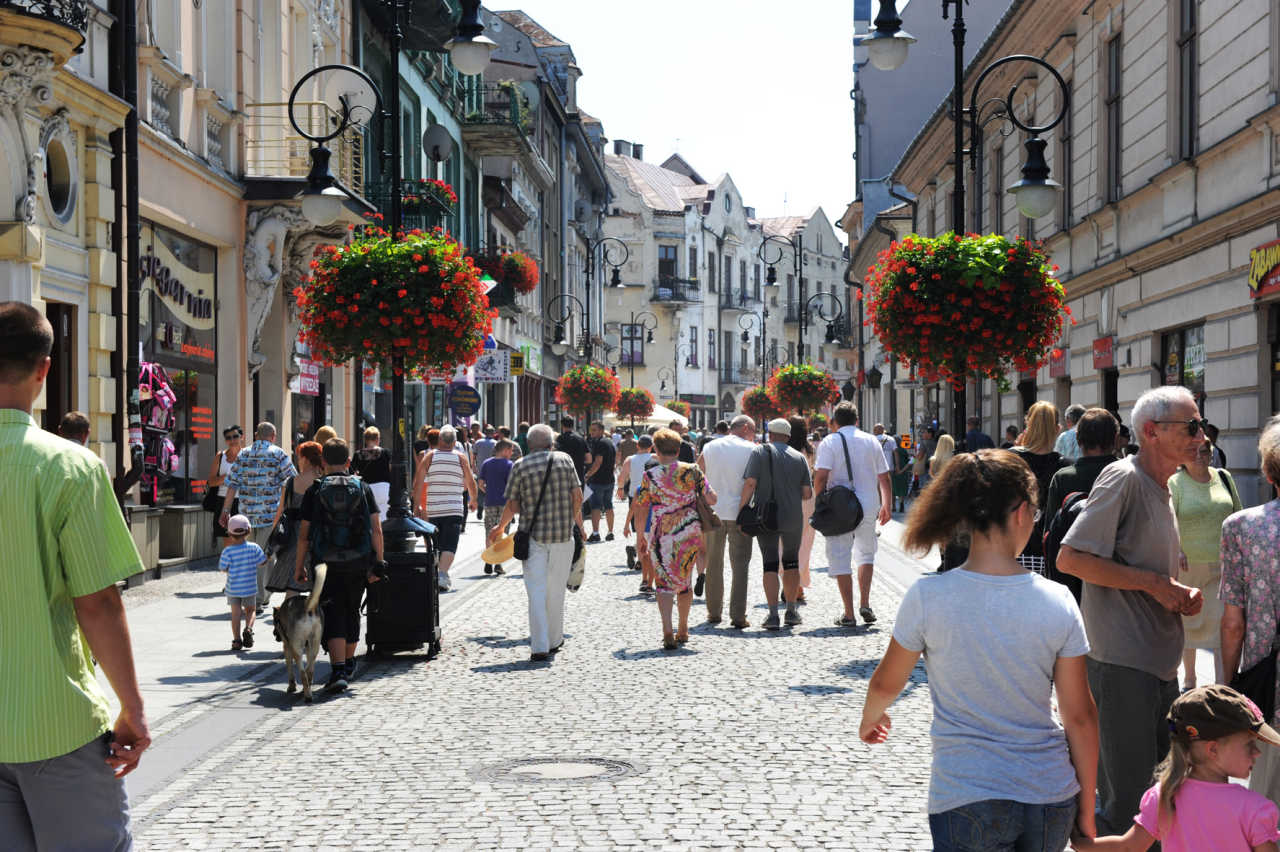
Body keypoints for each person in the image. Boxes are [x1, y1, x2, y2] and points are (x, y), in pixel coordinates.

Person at [861, 448, 1098, 850]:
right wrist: (1088, 810)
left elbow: (886, 683)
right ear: (1022, 512)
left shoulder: (929, 596)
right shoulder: (1058, 600)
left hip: (966, 791)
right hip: (1047, 793)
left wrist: (871, 718)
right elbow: (1080, 716)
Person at [0, 302, 149, 848]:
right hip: (54, 720)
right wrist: (131, 709)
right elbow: (98, 604)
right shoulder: (70, 466)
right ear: (43, 369)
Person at [1058, 385, 1207, 835]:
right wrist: (1154, 584)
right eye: (1192, 426)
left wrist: (1176, 590)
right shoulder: (1124, 478)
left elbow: (1140, 567)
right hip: (1122, 662)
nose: (1201, 436)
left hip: (1156, 663)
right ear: (1152, 432)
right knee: (1127, 802)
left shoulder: (1164, 486)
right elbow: (1071, 559)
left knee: (1160, 794)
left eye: (1201, 425)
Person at [1072, 685, 1280, 852]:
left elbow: (1128, 847)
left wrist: (1080, 842)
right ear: (1213, 749)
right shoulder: (1254, 809)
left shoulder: (1163, 796)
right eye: (1249, 745)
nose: (1257, 753)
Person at [486, 424, 585, 661]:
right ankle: (554, 639)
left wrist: (500, 527)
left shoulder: (520, 465)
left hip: (532, 537)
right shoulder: (564, 460)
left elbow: (513, 505)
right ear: (551, 443)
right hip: (563, 536)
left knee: (536, 591)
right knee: (556, 590)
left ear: (529, 445)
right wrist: (577, 524)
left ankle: (539, 646)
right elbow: (577, 496)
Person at [294, 438, 384, 692]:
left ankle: (338, 669)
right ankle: (347, 665)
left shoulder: (315, 489)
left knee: (332, 611)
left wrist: (299, 566)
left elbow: (303, 535)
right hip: (358, 561)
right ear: (348, 462)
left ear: (322, 462)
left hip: (324, 562)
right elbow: (376, 529)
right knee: (352, 609)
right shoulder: (362, 487)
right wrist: (379, 562)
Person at [1221, 415, 1280, 803]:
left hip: (1268, 689)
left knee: (1268, 804)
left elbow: (1233, 625)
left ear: (1269, 471)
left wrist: (1228, 689)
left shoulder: (1242, 528)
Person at [1170, 435, 1240, 690]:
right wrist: (1176, 549)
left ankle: (1223, 686)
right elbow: (1170, 518)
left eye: (1206, 450)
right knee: (1188, 624)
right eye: (1196, 451)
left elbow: (1236, 514)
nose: (1201, 455)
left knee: (1223, 625)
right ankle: (1189, 682)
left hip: (1222, 565)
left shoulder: (1223, 477)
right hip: (1188, 567)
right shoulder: (1175, 482)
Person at [636, 428, 716, 648]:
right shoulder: (692, 471)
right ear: (679, 449)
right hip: (689, 532)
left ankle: (667, 631)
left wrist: (640, 537)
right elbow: (712, 499)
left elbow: (641, 507)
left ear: (656, 450)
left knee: (663, 582)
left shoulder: (649, 475)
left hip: (662, 533)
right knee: (684, 580)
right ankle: (683, 627)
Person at [815, 402, 892, 627]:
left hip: (840, 506)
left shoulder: (830, 441)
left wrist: (820, 502)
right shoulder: (871, 440)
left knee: (840, 556)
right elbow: (884, 477)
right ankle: (865, 604)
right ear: (857, 420)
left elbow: (820, 477)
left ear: (835, 421)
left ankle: (849, 613)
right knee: (866, 554)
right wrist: (886, 504)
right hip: (868, 504)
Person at [739, 418, 811, 631]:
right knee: (791, 562)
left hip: (766, 517)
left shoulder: (759, 453)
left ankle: (772, 615)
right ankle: (791, 610)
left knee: (769, 563)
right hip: (792, 517)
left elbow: (750, 483)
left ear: (769, 434)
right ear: (788, 437)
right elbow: (807, 494)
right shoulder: (799, 457)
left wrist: (741, 510)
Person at [220, 422, 296, 612]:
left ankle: (261, 594)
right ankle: (258, 598)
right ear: (274, 436)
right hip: (271, 515)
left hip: (247, 515)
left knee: (255, 555)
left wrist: (225, 510)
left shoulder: (243, 454)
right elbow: (293, 481)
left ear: (256, 435)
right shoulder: (279, 454)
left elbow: (232, 484)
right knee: (264, 555)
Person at [697, 415, 757, 628]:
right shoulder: (751, 449)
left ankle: (713, 612)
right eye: (754, 430)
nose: (755, 434)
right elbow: (752, 482)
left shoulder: (711, 446)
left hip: (714, 511)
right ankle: (738, 615)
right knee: (740, 564)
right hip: (740, 512)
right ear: (746, 428)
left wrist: (705, 498)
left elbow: (698, 472)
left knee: (713, 562)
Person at [414, 425, 477, 591]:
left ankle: (437, 574)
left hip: (434, 508)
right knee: (450, 544)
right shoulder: (461, 458)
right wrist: (474, 500)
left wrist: (416, 505)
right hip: (454, 508)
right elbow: (471, 481)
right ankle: (442, 574)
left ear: (440, 440)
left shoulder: (429, 456)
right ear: (455, 442)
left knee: (435, 543)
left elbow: (418, 482)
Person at [1011, 401, 1069, 573]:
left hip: (1012, 551)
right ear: (1057, 429)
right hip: (1051, 554)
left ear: (1027, 426)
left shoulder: (1010, 459)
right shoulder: (1064, 467)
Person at [265, 440, 322, 599]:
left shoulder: (291, 482)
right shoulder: (323, 481)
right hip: (317, 535)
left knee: (292, 585)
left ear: (305, 459)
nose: (298, 461)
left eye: (299, 457)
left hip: (293, 538)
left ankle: (288, 620)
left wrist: (271, 545)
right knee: (317, 584)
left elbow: (280, 513)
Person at [220, 514, 266, 651]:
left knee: (235, 614)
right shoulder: (254, 547)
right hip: (249, 587)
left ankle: (236, 641)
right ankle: (249, 628)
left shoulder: (227, 551)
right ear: (249, 531)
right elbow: (262, 563)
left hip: (233, 588)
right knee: (251, 610)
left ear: (229, 533)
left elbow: (223, 568)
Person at [788, 414, 817, 606]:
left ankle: (789, 585)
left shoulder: (785, 450)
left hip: (788, 497)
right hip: (808, 498)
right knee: (805, 543)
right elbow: (814, 472)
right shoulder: (810, 450)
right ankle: (798, 586)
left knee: (786, 542)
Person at [479, 438, 516, 575]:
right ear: (505, 450)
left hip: (489, 502)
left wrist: (488, 491)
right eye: (511, 450)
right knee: (501, 533)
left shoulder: (486, 463)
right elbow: (512, 486)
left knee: (489, 531)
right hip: (505, 503)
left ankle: (489, 561)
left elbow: (481, 483)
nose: (512, 453)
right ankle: (498, 564)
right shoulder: (509, 464)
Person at [207, 424, 243, 543]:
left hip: (242, 502)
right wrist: (226, 478)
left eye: (235, 436)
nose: (232, 440)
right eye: (228, 438)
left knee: (241, 539)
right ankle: (229, 561)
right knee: (227, 541)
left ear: (241, 437)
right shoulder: (220, 456)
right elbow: (211, 482)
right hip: (222, 501)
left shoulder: (247, 456)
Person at [350, 426, 392, 522]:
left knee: (369, 520)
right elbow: (391, 471)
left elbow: (352, 473)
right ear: (377, 439)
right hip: (384, 488)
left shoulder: (358, 454)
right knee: (384, 519)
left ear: (365, 439)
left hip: (367, 489)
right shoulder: (385, 453)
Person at [584, 421, 617, 542]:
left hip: (598, 480)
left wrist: (587, 475)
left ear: (601, 431)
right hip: (609, 479)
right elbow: (616, 457)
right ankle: (610, 532)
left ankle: (596, 533)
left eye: (594, 430)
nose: (591, 432)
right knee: (608, 505)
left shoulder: (599, 443)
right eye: (591, 430)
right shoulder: (609, 442)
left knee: (596, 507)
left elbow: (598, 462)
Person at [556, 416, 591, 484]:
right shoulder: (581, 439)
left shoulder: (560, 439)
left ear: (562, 425)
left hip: (564, 476)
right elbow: (589, 459)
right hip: (578, 475)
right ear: (573, 425)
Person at [891, 438, 912, 512]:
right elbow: (909, 461)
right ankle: (901, 504)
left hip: (893, 471)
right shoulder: (903, 450)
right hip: (903, 472)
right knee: (902, 488)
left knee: (892, 489)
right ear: (900, 442)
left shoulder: (891, 450)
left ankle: (893, 506)